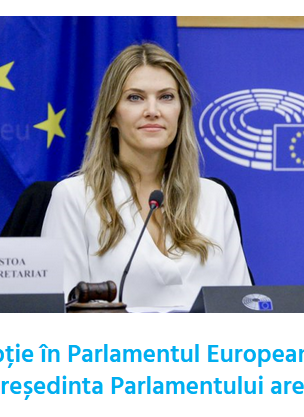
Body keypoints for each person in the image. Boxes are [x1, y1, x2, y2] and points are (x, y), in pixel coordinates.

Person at [41, 43, 252, 308]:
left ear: (180, 112)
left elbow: (242, 307)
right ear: (112, 115)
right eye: (135, 98)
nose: (153, 110)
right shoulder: (74, 197)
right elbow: (60, 311)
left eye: (166, 97)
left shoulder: (214, 197)